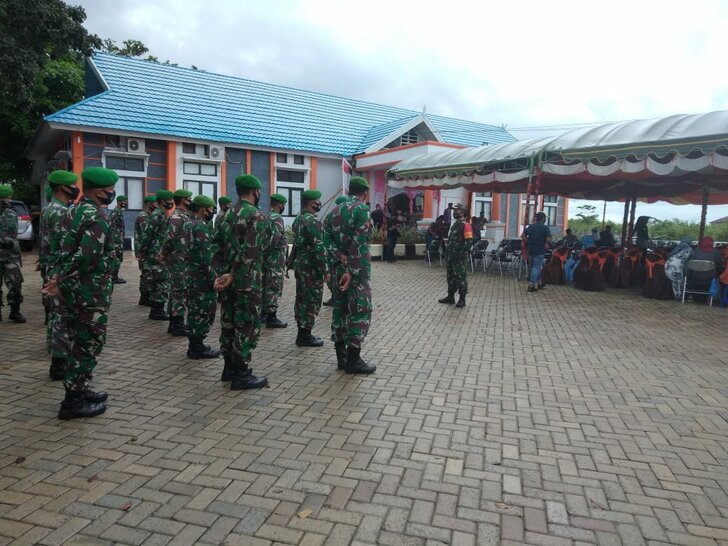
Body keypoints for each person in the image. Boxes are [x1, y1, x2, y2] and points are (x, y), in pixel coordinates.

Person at [43, 167, 119, 420]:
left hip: (73, 287)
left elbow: (59, 248)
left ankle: (81, 388)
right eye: (110, 191)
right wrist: (64, 277)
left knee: (77, 338)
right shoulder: (95, 215)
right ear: (100, 192)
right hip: (89, 289)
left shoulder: (72, 210)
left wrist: (57, 278)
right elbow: (88, 255)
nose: (112, 195)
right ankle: (73, 400)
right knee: (88, 342)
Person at [212, 174, 268, 390]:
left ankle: (229, 369)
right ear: (255, 192)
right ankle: (242, 375)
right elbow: (250, 251)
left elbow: (215, 247)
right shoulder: (255, 215)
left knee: (228, 323)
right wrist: (234, 274)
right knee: (246, 325)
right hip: (246, 281)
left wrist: (222, 274)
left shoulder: (225, 216)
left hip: (227, 281)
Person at [326, 177, 376, 374]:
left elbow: (326, 241)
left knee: (340, 310)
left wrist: (340, 257)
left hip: (338, 269)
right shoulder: (361, 209)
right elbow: (359, 242)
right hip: (356, 272)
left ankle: (342, 358)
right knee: (360, 310)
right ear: (365, 192)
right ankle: (353, 360)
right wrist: (351, 269)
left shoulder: (334, 211)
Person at [39, 170, 79, 379]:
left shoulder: (49, 209)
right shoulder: (61, 213)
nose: (75, 188)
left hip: (51, 268)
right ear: (64, 187)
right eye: (72, 185)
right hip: (59, 272)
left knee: (56, 316)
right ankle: (59, 364)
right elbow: (64, 247)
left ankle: (57, 359)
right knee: (62, 318)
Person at [287, 189, 330, 347]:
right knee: (311, 300)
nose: (320, 203)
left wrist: (290, 262)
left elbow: (297, 245)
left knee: (302, 299)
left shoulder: (298, 219)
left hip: (302, 266)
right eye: (318, 201)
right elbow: (319, 248)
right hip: (312, 268)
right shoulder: (312, 221)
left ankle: (302, 333)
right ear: (312, 203)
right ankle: (305, 335)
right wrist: (325, 270)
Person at [183, 195, 221, 359]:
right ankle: (197, 347)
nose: (212, 212)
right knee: (203, 310)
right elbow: (207, 257)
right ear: (202, 209)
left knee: (193, 310)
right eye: (211, 209)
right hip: (201, 277)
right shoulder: (200, 226)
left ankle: (195, 344)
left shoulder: (187, 223)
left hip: (190, 273)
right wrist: (214, 279)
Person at [159, 188, 193, 336]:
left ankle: (174, 323)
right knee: (179, 291)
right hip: (178, 260)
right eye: (189, 199)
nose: (191, 201)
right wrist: (163, 254)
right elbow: (169, 239)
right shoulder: (177, 217)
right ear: (183, 200)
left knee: (177, 291)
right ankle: (178, 325)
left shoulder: (184, 216)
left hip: (182, 258)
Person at [141, 189, 174, 320]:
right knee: (161, 281)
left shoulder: (161, 214)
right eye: (169, 201)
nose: (171, 203)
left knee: (158, 281)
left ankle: (156, 309)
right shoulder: (158, 215)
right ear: (161, 202)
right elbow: (147, 234)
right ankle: (157, 311)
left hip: (158, 251)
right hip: (157, 253)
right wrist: (143, 251)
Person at [261, 193, 289, 328]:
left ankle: (263, 314)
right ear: (280, 205)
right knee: (274, 285)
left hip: (265, 258)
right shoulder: (277, 218)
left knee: (265, 284)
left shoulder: (265, 216)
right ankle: (271, 317)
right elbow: (275, 237)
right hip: (275, 258)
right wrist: (271, 250)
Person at [0, 184, 26, 323]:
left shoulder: (11, 213)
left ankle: (15, 311)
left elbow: (14, 234)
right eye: (5, 198)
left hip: (10, 256)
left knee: (16, 284)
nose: (8, 200)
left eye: (9, 197)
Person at [438, 203, 472, 307]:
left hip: (459, 257)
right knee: (450, 277)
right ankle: (450, 297)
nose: (455, 212)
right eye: (454, 211)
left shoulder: (465, 225)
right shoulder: (455, 224)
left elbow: (469, 242)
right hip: (451, 256)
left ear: (462, 212)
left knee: (460, 277)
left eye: (457, 210)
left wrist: (462, 254)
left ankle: (462, 299)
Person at [322, 195, 349, 307]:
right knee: (338, 278)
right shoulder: (347, 216)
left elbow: (326, 239)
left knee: (334, 278)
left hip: (333, 254)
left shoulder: (330, 216)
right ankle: (337, 298)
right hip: (342, 255)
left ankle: (336, 298)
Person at [134, 195, 157, 306]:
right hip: (145, 250)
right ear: (149, 204)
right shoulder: (143, 217)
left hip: (145, 250)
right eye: (155, 203)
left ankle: (144, 297)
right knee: (147, 274)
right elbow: (145, 236)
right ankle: (145, 297)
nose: (157, 206)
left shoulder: (147, 215)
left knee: (147, 273)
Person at [523, 211, 552, 293]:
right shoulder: (545, 228)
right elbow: (548, 239)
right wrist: (549, 242)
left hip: (531, 249)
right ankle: (531, 285)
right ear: (543, 219)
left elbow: (523, 235)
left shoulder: (531, 226)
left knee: (535, 267)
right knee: (536, 267)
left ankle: (539, 283)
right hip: (540, 250)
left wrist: (528, 242)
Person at [109, 195, 128, 284]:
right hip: (115, 240)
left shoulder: (119, 211)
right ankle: (113, 277)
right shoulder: (115, 212)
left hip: (118, 239)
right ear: (119, 202)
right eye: (124, 201)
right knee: (116, 259)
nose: (126, 203)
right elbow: (110, 224)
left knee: (119, 259)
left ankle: (114, 276)